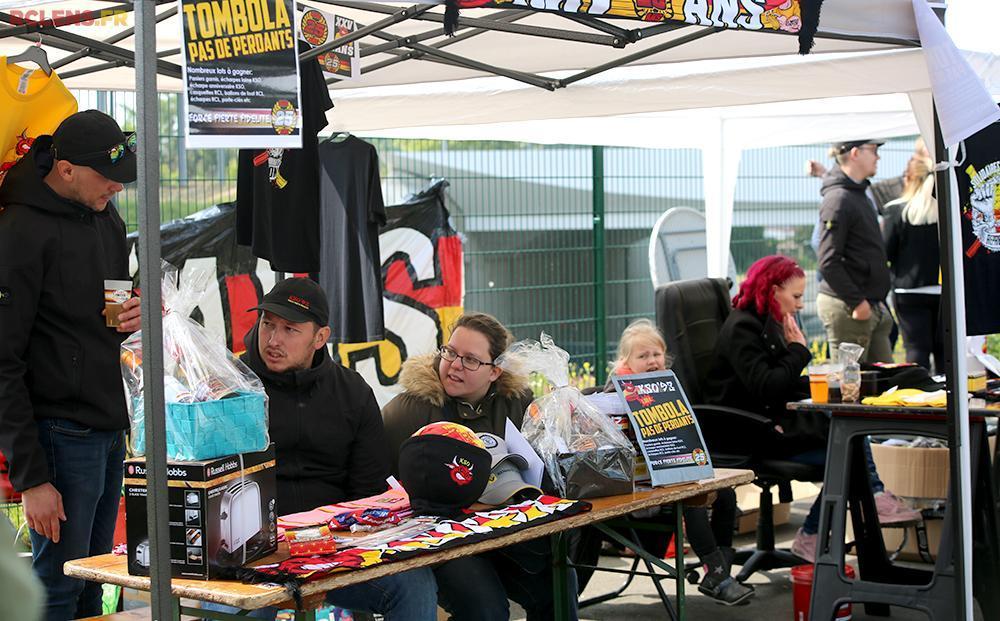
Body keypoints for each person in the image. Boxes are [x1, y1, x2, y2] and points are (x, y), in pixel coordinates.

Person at [203, 277, 437, 620]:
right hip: (247, 551)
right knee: (243, 608)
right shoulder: (231, 386)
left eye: (290, 329)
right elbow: (210, 484)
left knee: (414, 585)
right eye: (267, 323)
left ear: (320, 337)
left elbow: (369, 492)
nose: (273, 339)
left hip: (334, 548)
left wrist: (338, 541)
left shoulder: (352, 392)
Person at [0, 110, 142, 621]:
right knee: (58, 585)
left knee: (93, 578)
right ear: (65, 170)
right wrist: (32, 477)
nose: (117, 189)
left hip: (107, 428)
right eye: (108, 178)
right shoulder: (19, 230)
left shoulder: (106, 216)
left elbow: (109, 307)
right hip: (59, 434)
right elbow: (3, 360)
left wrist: (129, 315)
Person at [704, 255, 920, 563]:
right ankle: (834, 521)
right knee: (846, 449)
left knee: (848, 442)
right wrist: (799, 350)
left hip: (767, 422)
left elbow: (779, 381)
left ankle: (827, 527)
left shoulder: (764, 322)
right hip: (747, 433)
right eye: (794, 297)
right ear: (773, 289)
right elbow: (768, 385)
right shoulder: (743, 328)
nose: (799, 305)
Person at [382, 312, 577, 621]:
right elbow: (378, 485)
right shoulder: (410, 410)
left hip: (506, 533)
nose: (455, 365)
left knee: (560, 580)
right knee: (486, 610)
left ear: (495, 371)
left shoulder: (518, 401)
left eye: (471, 360)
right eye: (450, 352)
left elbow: (543, 469)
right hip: (444, 541)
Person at [608, 319, 753, 606]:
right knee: (692, 499)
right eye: (643, 356)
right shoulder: (615, 392)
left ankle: (718, 570)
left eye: (656, 354)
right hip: (638, 484)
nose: (652, 361)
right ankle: (716, 571)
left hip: (670, 472)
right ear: (625, 361)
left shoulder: (666, 385)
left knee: (725, 493)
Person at [815, 139, 894, 363]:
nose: (878, 157)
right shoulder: (839, 198)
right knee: (851, 389)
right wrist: (856, 302)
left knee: (886, 384)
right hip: (850, 307)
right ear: (856, 153)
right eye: (874, 151)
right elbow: (828, 260)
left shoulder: (858, 194)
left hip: (868, 305)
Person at [883, 155, 943, 372]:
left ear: (909, 177)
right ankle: (950, 401)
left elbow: (886, 251)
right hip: (944, 290)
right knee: (946, 351)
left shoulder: (896, 210)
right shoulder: (946, 210)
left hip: (908, 290)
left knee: (916, 349)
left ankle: (919, 399)